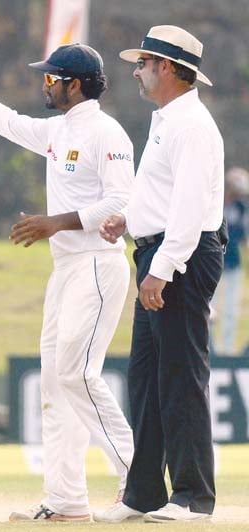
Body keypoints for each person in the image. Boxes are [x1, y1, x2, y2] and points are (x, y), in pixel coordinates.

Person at [0, 43, 135, 522]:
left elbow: (121, 200)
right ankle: (66, 501)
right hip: (67, 270)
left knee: (77, 374)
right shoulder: (59, 131)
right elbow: (5, 121)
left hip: (99, 264)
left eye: (51, 78)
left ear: (74, 84)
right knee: (55, 385)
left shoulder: (106, 132)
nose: (44, 85)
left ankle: (137, 478)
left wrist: (58, 221)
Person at [97, 25, 224, 523]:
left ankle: (193, 497)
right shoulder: (168, 119)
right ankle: (143, 493)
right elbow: (165, 194)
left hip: (181, 259)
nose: (136, 70)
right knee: (146, 379)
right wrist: (129, 220)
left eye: (144, 62)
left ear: (167, 68)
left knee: (180, 377)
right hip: (157, 254)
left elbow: (191, 209)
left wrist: (163, 270)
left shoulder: (192, 124)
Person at [211, 167, 249, 355]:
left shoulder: (242, 208)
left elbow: (244, 237)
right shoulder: (215, 204)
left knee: (231, 310)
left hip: (234, 265)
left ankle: (227, 349)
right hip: (213, 264)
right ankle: (209, 348)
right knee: (210, 309)